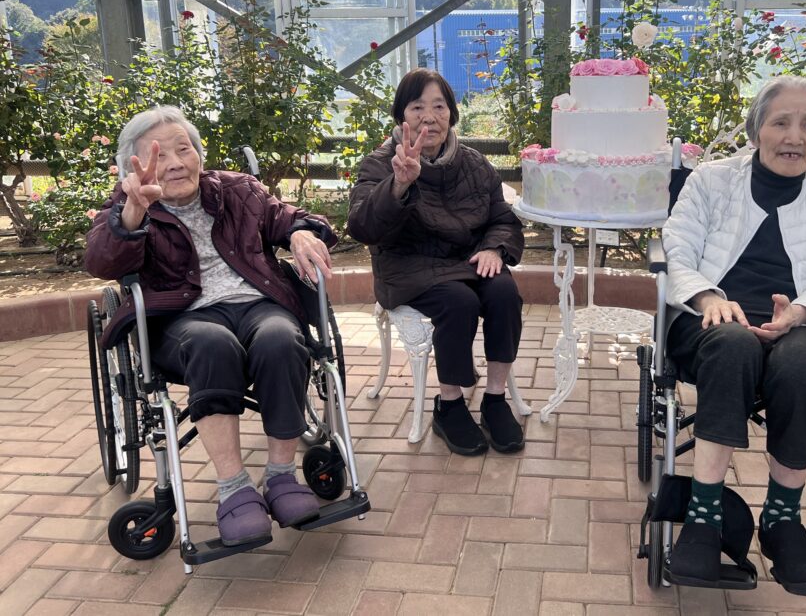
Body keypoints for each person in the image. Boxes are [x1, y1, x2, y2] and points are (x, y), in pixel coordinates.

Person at [85, 106, 338, 547]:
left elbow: (287, 215)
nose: (176, 163)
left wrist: (300, 231)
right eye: (159, 155)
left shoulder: (238, 190)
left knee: (282, 338)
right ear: (134, 167)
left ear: (200, 154)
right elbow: (102, 262)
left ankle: (281, 477)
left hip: (257, 304)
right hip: (182, 320)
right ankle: (234, 489)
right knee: (212, 343)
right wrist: (133, 212)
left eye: (185, 149)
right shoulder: (129, 207)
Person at [661, 76, 806, 589]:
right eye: (780, 122)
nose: (793, 136)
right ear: (756, 130)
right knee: (731, 343)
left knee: (800, 363)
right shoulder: (709, 180)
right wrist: (709, 297)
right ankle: (705, 516)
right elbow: (677, 248)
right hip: (710, 317)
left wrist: (798, 313)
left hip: (799, 322)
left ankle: (780, 519)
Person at [348, 68, 525, 456]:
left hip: (466, 259)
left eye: (439, 106)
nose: (429, 116)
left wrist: (495, 248)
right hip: (407, 265)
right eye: (417, 107)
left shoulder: (475, 163)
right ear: (401, 116)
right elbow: (362, 227)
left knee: (504, 292)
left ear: (451, 114)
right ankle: (449, 405)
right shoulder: (380, 164)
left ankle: (495, 399)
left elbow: (502, 217)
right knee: (458, 302)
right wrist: (398, 185)